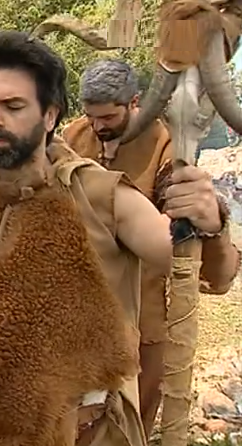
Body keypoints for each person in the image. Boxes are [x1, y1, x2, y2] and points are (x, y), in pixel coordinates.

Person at [0, 30, 234, 445]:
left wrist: (211, 224)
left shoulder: (100, 195)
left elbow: (207, 273)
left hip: (83, 434)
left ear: (49, 115)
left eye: (13, 106)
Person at [62, 59, 240, 439]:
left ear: (135, 103)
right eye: (91, 116)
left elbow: (186, 245)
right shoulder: (74, 137)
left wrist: (211, 224)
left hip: (143, 323)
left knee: (131, 424)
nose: (97, 126)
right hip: (77, 316)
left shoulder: (166, 148)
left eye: (108, 117)